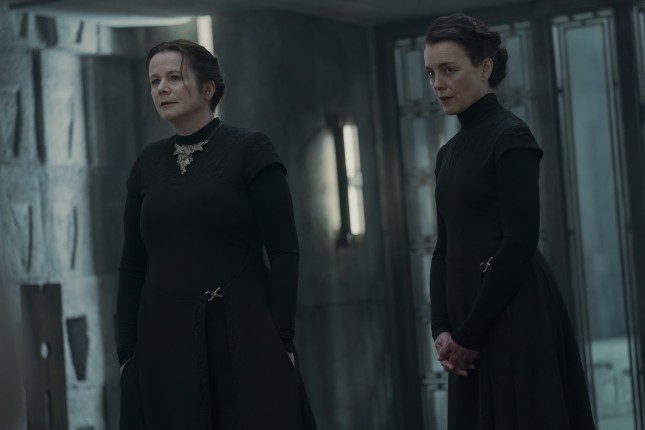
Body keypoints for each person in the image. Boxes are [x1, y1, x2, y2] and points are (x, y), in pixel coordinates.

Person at [117, 39, 317, 430]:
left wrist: (282, 340)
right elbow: (131, 265)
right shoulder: (147, 164)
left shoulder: (250, 149)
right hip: (163, 343)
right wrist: (127, 354)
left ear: (208, 88)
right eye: (155, 81)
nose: (162, 88)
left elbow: (284, 252)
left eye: (174, 77)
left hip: (241, 334)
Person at [425, 13, 596, 429]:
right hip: (465, 323)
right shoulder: (447, 154)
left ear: (484, 68)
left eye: (449, 70)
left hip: (514, 312)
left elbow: (519, 242)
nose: (437, 84)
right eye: (431, 73)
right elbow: (443, 248)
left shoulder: (510, 136)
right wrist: (442, 329)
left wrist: (468, 335)